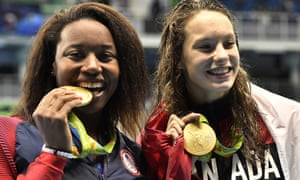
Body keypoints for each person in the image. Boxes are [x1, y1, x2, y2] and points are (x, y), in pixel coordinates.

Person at [140, 0, 300, 179]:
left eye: (229, 43)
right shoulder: (157, 139)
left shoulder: (289, 119)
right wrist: (169, 164)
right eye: (205, 47)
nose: (222, 56)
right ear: (178, 59)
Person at [0, 2, 150, 179]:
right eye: (75, 55)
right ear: (53, 65)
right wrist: (54, 153)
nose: (93, 67)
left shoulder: (135, 155)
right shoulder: (6, 135)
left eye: (105, 56)